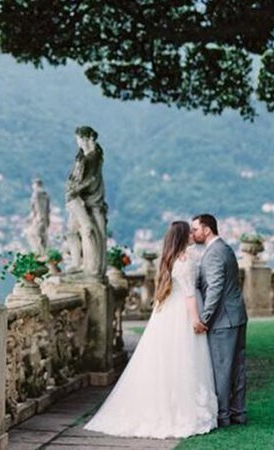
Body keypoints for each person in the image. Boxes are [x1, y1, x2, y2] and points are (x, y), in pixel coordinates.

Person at [84, 221, 217, 438]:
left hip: (167, 314)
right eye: (190, 232)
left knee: (166, 361)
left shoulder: (170, 259)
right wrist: (196, 320)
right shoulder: (186, 261)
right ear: (184, 236)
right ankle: (181, 411)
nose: (194, 234)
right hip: (182, 315)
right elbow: (190, 295)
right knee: (185, 359)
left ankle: (165, 407)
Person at [191, 214, 248, 428]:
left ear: (207, 230)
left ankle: (223, 416)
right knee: (237, 368)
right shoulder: (224, 248)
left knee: (223, 369)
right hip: (235, 315)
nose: (193, 233)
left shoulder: (214, 253)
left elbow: (214, 289)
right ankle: (238, 413)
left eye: (195, 229)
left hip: (223, 320)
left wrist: (203, 319)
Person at [66, 126, 107, 279]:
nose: (78, 142)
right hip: (79, 199)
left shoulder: (92, 157)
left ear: (88, 138)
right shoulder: (90, 155)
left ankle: (89, 267)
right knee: (72, 231)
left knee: (87, 230)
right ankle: (79, 263)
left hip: (81, 199)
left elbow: (91, 179)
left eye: (79, 138)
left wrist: (75, 189)